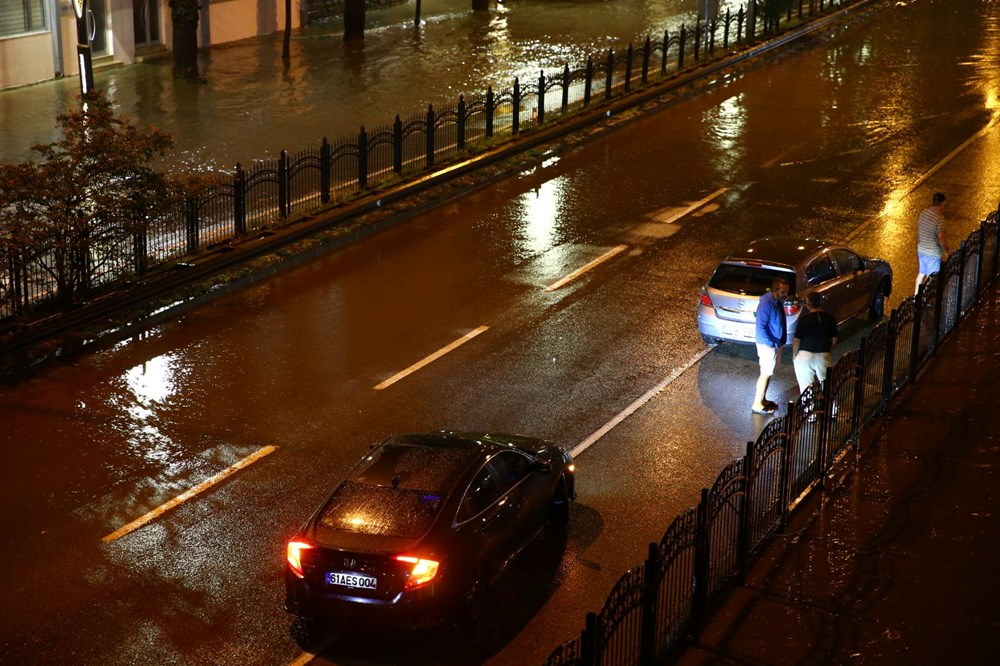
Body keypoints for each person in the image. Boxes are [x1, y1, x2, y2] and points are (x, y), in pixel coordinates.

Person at [752, 277, 789, 415]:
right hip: (767, 344)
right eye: (783, 292)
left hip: (771, 343)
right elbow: (761, 327)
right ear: (775, 290)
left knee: (768, 373)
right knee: (765, 373)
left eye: (787, 291)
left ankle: (763, 399)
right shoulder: (766, 304)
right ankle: (757, 403)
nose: (786, 295)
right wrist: (771, 343)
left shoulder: (775, 301)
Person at [792, 292, 838, 394]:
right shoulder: (830, 319)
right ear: (820, 302)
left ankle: (808, 409)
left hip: (804, 356)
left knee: (806, 391)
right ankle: (832, 409)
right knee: (828, 387)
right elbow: (834, 340)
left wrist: (794, 355)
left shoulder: (804, 320)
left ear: (807, 304)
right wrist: (828, 351)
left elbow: (796, 340)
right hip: (823, 355)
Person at [914, 192, 950, 295]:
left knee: (921, 273)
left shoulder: (923, 213)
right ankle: (926, 299)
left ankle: (916, 297)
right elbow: (941, 237)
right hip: (932, 253)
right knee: (932, 280)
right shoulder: (939, 218)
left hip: (921, 250)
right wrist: (946, 251)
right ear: (943, 203)